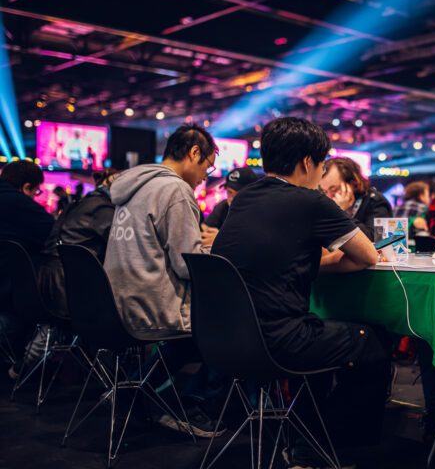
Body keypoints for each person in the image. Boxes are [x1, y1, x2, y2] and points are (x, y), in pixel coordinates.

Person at [212, 117, 390, 468]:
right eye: (322, 165)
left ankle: (304, 439)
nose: (321, 176)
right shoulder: (310, 201)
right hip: (278, 341)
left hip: (224, 339)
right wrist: (326, 261)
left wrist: (311, 262)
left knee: (320, 331)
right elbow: (368, 256)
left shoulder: (244, 198)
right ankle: (320, 445)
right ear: (308, 162)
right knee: (373, 342)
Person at [103, 123, 221, 437]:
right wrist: (219, 251)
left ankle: (134, 389)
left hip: (115, 304)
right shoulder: (176, 190)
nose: (205, 177)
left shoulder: (135, 186)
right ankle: (191, 408)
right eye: (207, 166)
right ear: (194, 153)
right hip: (150, 306)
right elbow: (185, 265)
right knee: (221, 330)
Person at [37, 168, 119, 318]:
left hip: (46, 278)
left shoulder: (80, 202)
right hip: (68, 284)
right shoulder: (102, 208)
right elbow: (120, 246)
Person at [0, 161, 55, 375]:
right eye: (36, 191)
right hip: (8, 296)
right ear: (26, 187)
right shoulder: (21, 204)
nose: (35, 196)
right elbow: (54, 232)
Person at [320, 157, 392, 240]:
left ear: (352, 184)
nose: (329, 196)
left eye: (334, 189)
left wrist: (341, 214)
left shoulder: (376, 202)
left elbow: (374, 239)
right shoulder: (326, 205)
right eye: (325, 191)